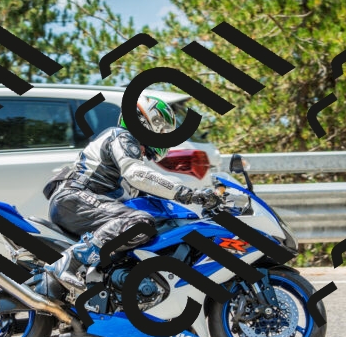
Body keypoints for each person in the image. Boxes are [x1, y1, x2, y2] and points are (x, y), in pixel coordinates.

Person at [37, 95, 219, 295]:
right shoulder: (122, 137)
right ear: (146, 122)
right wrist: (185, 193)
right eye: (163, 130)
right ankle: (69, 262)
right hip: (76, 197)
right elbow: (137, 174)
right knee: (139, 223)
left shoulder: (130, 153)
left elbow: (149, 189)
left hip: (83, 201)